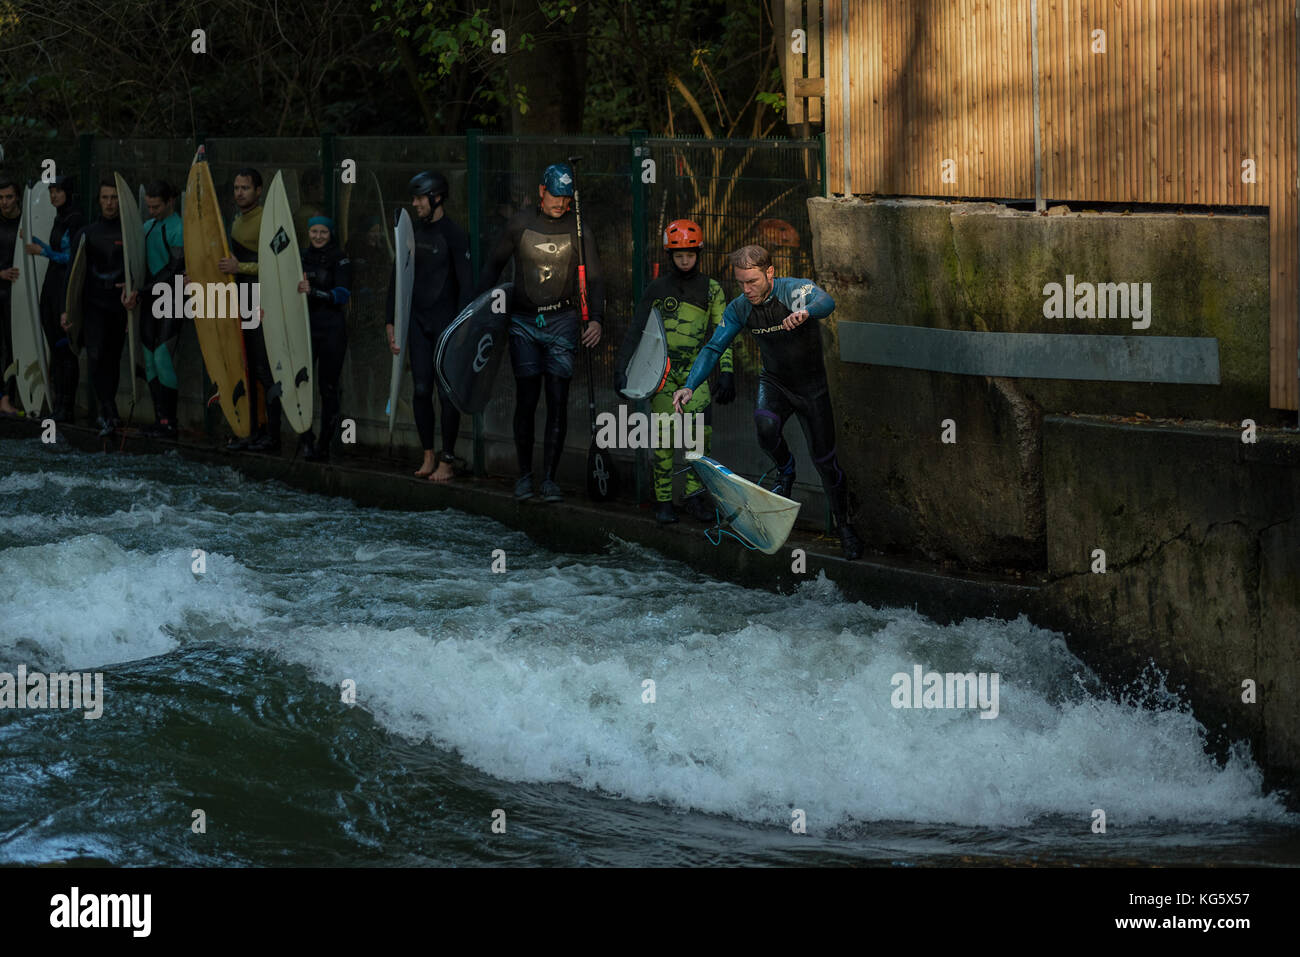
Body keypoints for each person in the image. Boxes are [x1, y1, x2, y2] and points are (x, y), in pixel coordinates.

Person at [672, 244, 864, 559]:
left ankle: (845, 527)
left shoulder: (792, 291)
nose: (747, 289)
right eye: (741, 283)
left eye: (753, 282)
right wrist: (689, 386)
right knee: (764, 428)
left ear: (769, 272)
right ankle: (785, 470)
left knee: (825, 464)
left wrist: (806, 311)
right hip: (774, 382)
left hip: (811, 388)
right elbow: (713, 348)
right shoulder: (739, 308)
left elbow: (826, 301)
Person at [477, 162, 604, 503]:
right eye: (555, 197)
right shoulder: (519, 224)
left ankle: (549, 479)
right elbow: (491, 266)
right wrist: (476, 312)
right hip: (523, 322)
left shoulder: (579, 229)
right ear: (541, 192)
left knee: (558, 401)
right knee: (527, 399)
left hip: (563, 322)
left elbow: (594, 279)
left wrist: (596, 319)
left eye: (566, 198)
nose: (560, 204)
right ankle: (524, 477)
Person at [617, 218, 735, 524]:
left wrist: (726, 371)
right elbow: (636, 330)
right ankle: (664, 501)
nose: (685, 260)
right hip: (661, 373)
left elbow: (724, 332)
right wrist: (622, 368)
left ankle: (694, 497)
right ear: (669, 255)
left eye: (690, 254)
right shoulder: (657, 288)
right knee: (665, 439)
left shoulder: (712, 290)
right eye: (679, 254)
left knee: (699, 438)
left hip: (697, 374)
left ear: (699, 253)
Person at [385, 171, 471, 481]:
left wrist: (463, 331)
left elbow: (467, 287)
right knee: (421, 390)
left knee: (447, 394)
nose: (414, 204)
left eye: (419, 198)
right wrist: (391, 320)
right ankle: (428, 454)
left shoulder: (455, 235)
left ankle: (447, 459)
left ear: (436, 198)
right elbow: (397, 279)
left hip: (447, 325)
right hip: (418, 323)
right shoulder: (412, 234)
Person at [60, 178, 127, 436]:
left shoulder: (129, 233)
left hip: (118, 306)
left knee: (112, 358)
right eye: (105, 198)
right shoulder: (87, 233)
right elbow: (73, 274)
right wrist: (67, 309)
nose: (110, 203)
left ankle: (108, 410)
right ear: (98, 201)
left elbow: (137, 268)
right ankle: (108, 408)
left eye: (114, 198)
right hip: (93, 305)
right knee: (96, 356)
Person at [219, 167, 279, 452]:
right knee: (246, 367)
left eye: (245, 188)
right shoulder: (235, 221)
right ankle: (251, 430)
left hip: (262, 301)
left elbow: (277, 264)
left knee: (264, 370)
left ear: (258, 190)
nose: (239, 193)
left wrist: (239, 266)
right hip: (240, 299)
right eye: (236, 188)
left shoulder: (268, 218)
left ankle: (272, 434)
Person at [126, 180, 185, 437]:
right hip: (149, 299)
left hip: (172, 299)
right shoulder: (147, 227)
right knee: (149, 359)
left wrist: (142, 290)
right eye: (149, 206)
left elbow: (174, 269)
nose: (152, 211)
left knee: (162, 356)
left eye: (156, 206)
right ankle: (159, 419)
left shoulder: (179, 228)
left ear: (170, 201)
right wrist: (128, 286)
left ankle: (170, 422)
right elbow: (135, 265)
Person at [27, 175, 85, 422]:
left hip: (65, 286)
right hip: (51, 285)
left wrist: (44, 251)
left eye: (58, 191)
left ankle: (67, 407)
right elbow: (54, 252)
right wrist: (33, 242)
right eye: (51, 191)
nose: (53, 196)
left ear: (68, 193)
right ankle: (58, 403)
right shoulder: (59, 217)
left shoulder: (76, 219)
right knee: (54, 346)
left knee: (65, 350)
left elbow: (71, 258)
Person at [297, 215, 350, 462]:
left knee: (327, 388)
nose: (318, 236)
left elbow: (342, 294)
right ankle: (305, 441)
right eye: (313, 232)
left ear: (330, 234)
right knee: (301, 386)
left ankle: (324, 445)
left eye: (323, 232)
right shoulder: (300, 257)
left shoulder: (339, 258)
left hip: (331, 329)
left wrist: (315, 292)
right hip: (306, 328)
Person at [0, 178, 20, 415]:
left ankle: (8, 397)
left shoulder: (26, 223)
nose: (4, 202)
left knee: (14, 348)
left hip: (17, 297)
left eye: (8, 197)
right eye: (1, 198)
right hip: (1, 288)